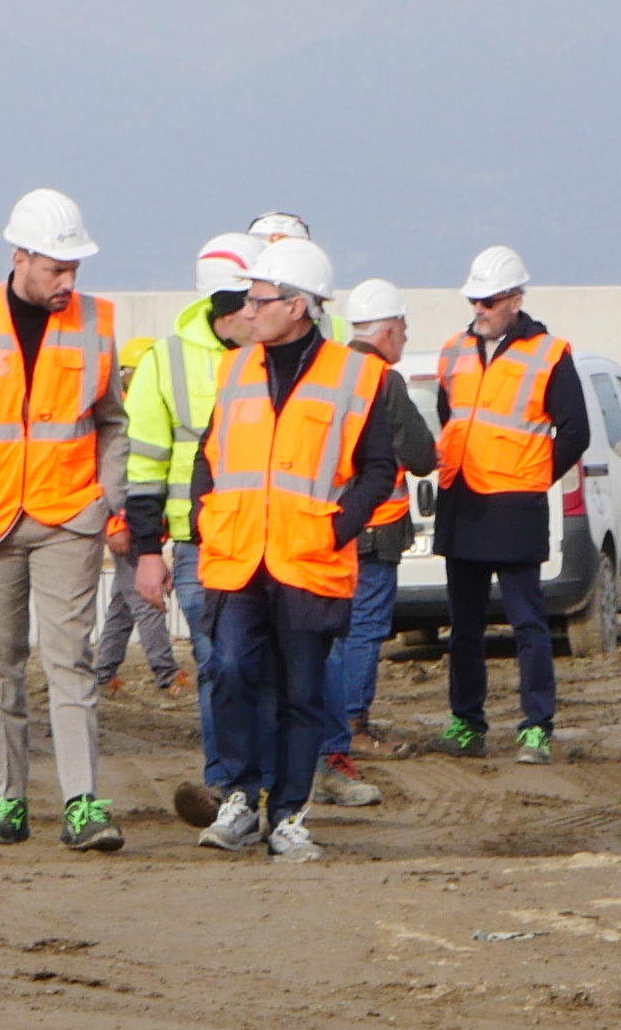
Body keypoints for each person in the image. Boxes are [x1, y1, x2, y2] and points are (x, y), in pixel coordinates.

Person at [131, 234, 400, 861]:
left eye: (259, 301)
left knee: (302, 691)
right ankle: (238, 799)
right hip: (238, 554)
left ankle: (287, 815)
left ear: (297, 306)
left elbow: (379, 469)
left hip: (308, 557)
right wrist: (207, 514)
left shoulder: (358, 376)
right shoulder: (235, 370)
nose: (246, 311)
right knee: (228, 670)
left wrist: (336, 528)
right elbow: (210, 454)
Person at [0, 190, 126, 853]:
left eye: (75, 269)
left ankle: (81, 803)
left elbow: (112, 421)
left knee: (71, 660)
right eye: (57, 268)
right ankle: (8, 798)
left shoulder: (96, 321)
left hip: (68, 518)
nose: (68, 281)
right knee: (0, 662)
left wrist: (106, 498)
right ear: (21, 258)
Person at [433, 243, 590, 763]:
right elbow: (452, 418)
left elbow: (575, 431)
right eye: (474, 300)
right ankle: (466, 724)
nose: (479, 309)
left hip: (515, 505)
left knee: (528, 625)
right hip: (463, 502)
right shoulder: (453, 351)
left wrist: (533, 476)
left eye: (489, 301)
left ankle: (536, 728)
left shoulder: (550, 353)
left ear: (516, 300)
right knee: (464, 628)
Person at [120, 233, 257, 773]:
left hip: (273, 540)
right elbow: (143, 466)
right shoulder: (167, 360)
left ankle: (273, 779)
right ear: (229, 307)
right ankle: (227, 783)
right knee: (218, 664)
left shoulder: (279, 354)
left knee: (267, 668)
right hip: (199, 545)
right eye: (254, 301)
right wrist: (146, 552)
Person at [314, 276, 444, 813]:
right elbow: (421, 455)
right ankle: (353, 726)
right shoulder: (383, 381)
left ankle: (330, 725)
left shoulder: (329, 371)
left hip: (332, 524)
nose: (405, 338)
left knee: (332, 635)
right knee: (365, 630)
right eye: (403, 328)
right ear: (387, 331)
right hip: (377, 525)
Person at [86, 360, 189, 696]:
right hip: (128, 526)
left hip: (136, 524)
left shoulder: (137, 413)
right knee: (147, 600)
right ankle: (166, 672)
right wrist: (114, 524)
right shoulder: (122, 418)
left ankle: (104, 672)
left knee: (123, 604)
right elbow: (112, 479)